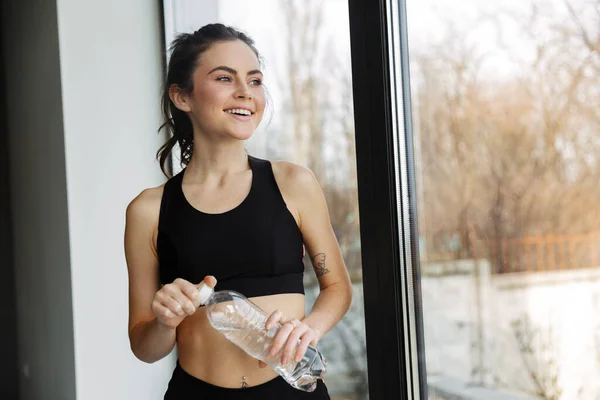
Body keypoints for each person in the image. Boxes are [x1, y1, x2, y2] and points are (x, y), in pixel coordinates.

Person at [124, 23, 353, 399]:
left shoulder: (294, 183)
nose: (245, 92)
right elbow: (144, 346)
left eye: (255, 80)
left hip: (292, 391)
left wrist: (309, 328)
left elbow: (337, 288)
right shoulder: (148, 210)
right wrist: (165, 322)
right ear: (182, 97)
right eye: (224, 78)